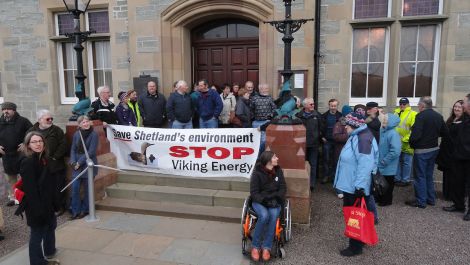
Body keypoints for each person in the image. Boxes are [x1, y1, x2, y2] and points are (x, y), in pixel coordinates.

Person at [333, 112, 379, 257]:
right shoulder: (357, 136)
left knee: (354, 216)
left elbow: (365, 164)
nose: (345, 127)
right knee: (358, 215)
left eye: (347, 124)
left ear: (355, 125)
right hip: (352, 184)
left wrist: (359, 186)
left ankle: (355, 247)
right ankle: (360, 239)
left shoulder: (362, 139)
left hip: (355, 186)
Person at [19, 131, 60, 265]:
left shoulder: (43, 158)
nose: (38, 144)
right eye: (34, 142)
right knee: (37, 233)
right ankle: (37, 262)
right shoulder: (28, 162)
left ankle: (50, 250)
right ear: (28, 145)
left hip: (47, 201)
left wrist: (55, 201)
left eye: (40, 141)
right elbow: (31, 190)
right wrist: (38, 210)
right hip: (36, 205)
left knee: (51, 225)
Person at [406, 96, 449, 209]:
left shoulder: (420, 116)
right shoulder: (438, 116)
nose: (418, 107)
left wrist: (412, 143)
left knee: (420, 176)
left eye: (419, 105)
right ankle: (431, 199)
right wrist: (432, 136)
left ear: (422, 105)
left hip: (422, 151)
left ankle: (421, 201)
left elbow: (416, 135)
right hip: (434, 149)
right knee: (428, 175)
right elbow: (445, 132)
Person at [27, 110, 68, 216]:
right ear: (39, 120)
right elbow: (27, 144)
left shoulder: (56, 130)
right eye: (47, 119)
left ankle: (59, 207)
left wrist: (55, 157)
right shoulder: (32, 131)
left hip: (55, 164)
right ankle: (47, 206)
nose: (50, 121)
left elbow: (63, 144)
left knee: (58, 187)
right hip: (39, 164)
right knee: (44, 187)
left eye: (51, 119)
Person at [249, 151, 286, 262]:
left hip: (274, 201)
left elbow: (283, 188)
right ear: (269, 160)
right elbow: (254, 193)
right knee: (264, 216)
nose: (277, 158)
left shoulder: (278, 171)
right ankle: (255, 246)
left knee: (273, 215)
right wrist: (265, 201)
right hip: (260, 201)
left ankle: (266, 247)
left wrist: (275, 198)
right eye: (275, 157)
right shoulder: (257, 173)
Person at [0, 102, 33, 206]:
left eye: (8, 109)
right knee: (11, 178)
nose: (6, 111)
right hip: (7, 155)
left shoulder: (23, 121)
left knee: (25, 175)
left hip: (21, 154)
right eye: (4, 109)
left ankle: (28, 195)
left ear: (14, 110)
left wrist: (25, 143)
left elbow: (32, 133)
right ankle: (15, 197)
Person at [443, 95, 470, 220]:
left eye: (463, 103)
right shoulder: (465, 119)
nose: (461, 106)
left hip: (466, 157)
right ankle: (458, 204)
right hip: (458, 157)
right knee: (457, 181)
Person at [69, 115, 99, 220]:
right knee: (75, 188)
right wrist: (73, 162)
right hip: (76, 165)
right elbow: (72, 149)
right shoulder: (77, 134)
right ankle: (75, 210)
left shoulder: (94, 134)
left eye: (87, 121)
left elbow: (91, 152)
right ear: (79, 124)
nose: (85, 124)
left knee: (87, 189)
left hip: (87, 164)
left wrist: (79, 163)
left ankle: (85, 210)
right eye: (83, 122)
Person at [437, 100, 464, 200]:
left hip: (455, 153)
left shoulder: (463, 121)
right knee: (447, 174)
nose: (456, 109)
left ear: (463, 109)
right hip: (446, 152)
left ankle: (454, 196)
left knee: (455, 176)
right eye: (455, 106)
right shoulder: (451, 119)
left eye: (459, 107)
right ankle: (446, 194)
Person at [295, 98, 323, 191]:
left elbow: (321, 127)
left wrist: (318, 136)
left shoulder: (317, 115)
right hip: (301, 144)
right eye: (311, 104)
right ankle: (302, 182)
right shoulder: (298, 115)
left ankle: (311, 184)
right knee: (301, 164)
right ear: (305, 105)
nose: (313, 105)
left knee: (313, 164)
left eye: (313, 104)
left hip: (313, 144)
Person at [376, 113, 401, 206]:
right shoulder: (383, 130)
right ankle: (380, 199)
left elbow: (395, 151)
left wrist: (384, 161)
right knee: (381, 183)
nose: (384, 120)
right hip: (382, 163)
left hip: (388, 165)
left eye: (386, 119)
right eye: (384, 119)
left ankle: (386, 201)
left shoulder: (393, 133)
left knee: (388, 184)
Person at [393, 97, 417, 187]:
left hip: (406, 143)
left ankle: (405, 180)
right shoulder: (396, 112)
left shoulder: (413, 114)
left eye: (404, 104)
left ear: (408, 104)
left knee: (407, 162)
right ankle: (397, 178)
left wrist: (405, 139)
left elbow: (413, 129)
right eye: (400, 104)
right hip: (396, 142)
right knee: (397, 161)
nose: (402, 105)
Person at [332, 105, 353, 198]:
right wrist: (348, 136)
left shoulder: (351, 123)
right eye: (349, 113)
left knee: (346, 171)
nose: (350, 114)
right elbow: (336, 136)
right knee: (338, 170)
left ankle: (345, 188)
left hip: (348, 151)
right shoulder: (339, 124)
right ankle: (338, 190)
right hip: (339, 150)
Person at [321, 99, 342, 184]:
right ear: (329, 106)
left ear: (337, 106)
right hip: (327, 141)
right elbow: (320, 127)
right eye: (331, 105)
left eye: (335, 106)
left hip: (337, 141)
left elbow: (344, 128)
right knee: (326, 159)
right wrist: (321, 137)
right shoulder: (324, 116)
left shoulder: (341, 116)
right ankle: (326, 176)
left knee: (335, 159)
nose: (333, 107)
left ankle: (334, 176)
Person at [251, 83, 276, 153]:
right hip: (256, 123)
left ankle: (261, 156)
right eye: (266, 89)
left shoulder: (270, 98)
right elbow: (251, 109)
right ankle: (257, 157)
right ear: (261, 89)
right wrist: (253, 118)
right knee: (256, 141)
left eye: (267, 88)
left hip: (266, 122)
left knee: (264, 140)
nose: (267, 90)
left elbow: (274, 109)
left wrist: (270, 117)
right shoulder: (254, 98)